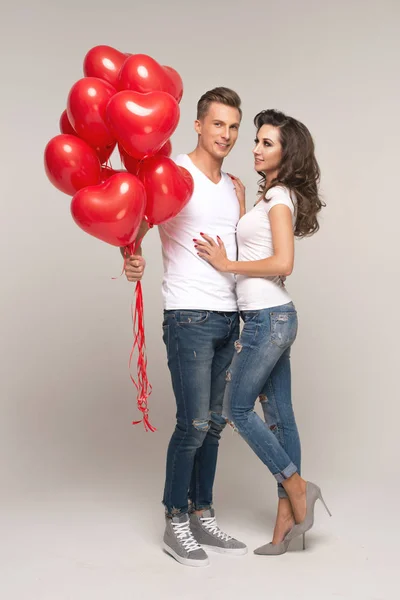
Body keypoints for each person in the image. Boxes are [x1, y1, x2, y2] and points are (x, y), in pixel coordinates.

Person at [194, 109, 331, 556]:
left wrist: (227, 265)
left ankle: (297, 487)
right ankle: (286, 529)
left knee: (236, 407)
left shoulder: (279, 199)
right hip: (270, 317)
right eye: (256, 140)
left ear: (286, 152)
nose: (254, 147)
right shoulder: (266, 197)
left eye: (266, 143)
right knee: (280, 417)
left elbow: (283, 263)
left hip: (268, 319)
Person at [124, 88, 247, 567]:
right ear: (198, 125)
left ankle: (202, 513)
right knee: (193, 424)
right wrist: (129, 258)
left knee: (215, 425)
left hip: (227, 315)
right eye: (219, 125)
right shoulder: (171, 173)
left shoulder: (234, 186)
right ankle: (175, 520)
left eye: (234, 127)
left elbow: (238, 253)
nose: (227, 135)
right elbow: (135, 228)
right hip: (188, 316)